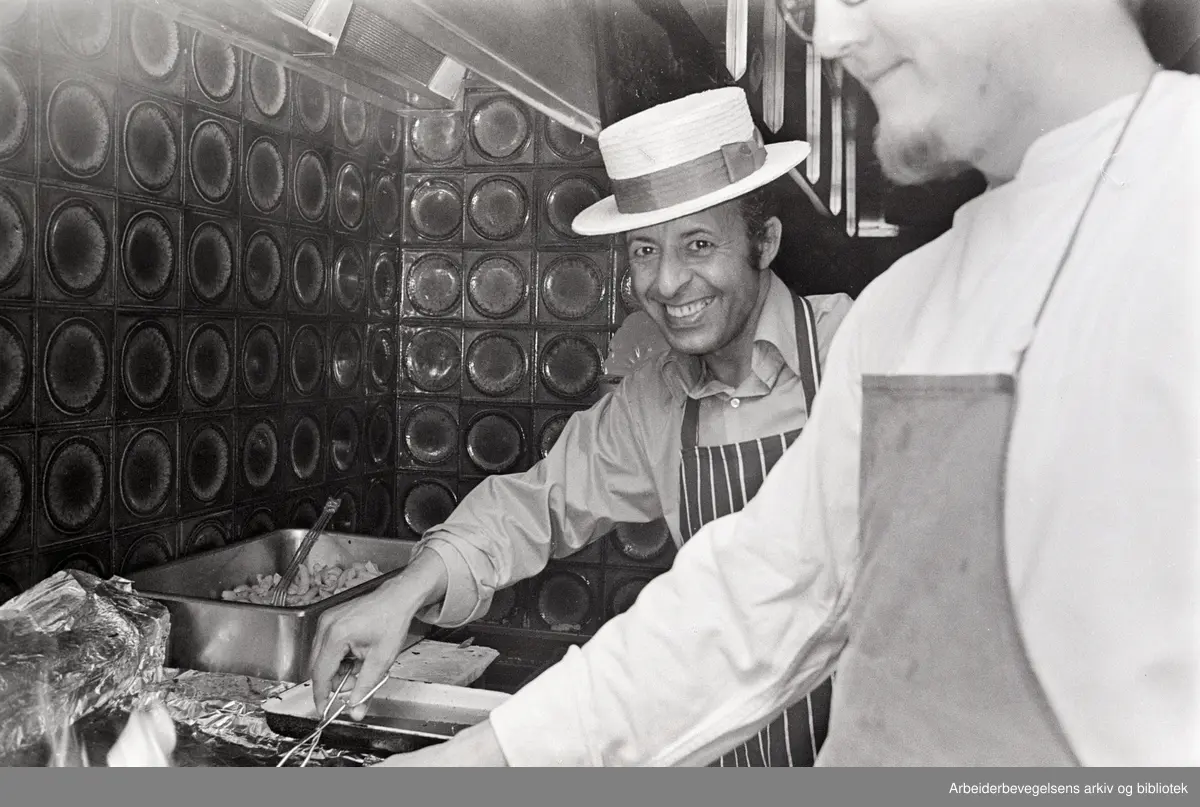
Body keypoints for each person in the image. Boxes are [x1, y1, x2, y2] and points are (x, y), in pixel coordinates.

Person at [358, 0, 1199, 766]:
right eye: (646, 249)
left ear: (760, 242)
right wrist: (468, 763)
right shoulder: (904, 316)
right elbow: (756, 602)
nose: (828, 38)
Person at [310, 88, 854, 767]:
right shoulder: (655, 398)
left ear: (764, 241)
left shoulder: (856, 353)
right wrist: (405, 590)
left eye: (700, 244)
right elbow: (537, 503)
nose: (667, 283)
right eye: (645, 251)